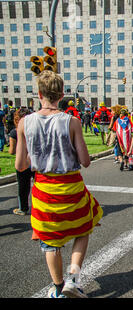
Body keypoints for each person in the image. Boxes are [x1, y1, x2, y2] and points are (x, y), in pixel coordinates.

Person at [14, 70, 103, 298]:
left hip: (44, 189)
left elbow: (21, 165)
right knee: (84, 228)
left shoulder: (25, 122)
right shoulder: (71, 121)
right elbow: (85, 161)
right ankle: (73, 277)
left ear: (39, 93)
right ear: (61, 94)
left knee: (49, 241)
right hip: (71, 187)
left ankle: (57, 288)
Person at [8, 108, 34, 215]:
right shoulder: (34, 129)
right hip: (34, 160)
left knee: (23, 187)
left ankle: (23, 208)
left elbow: (11, 151)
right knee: (39, 184)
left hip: (22, 161)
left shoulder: (14, 132)